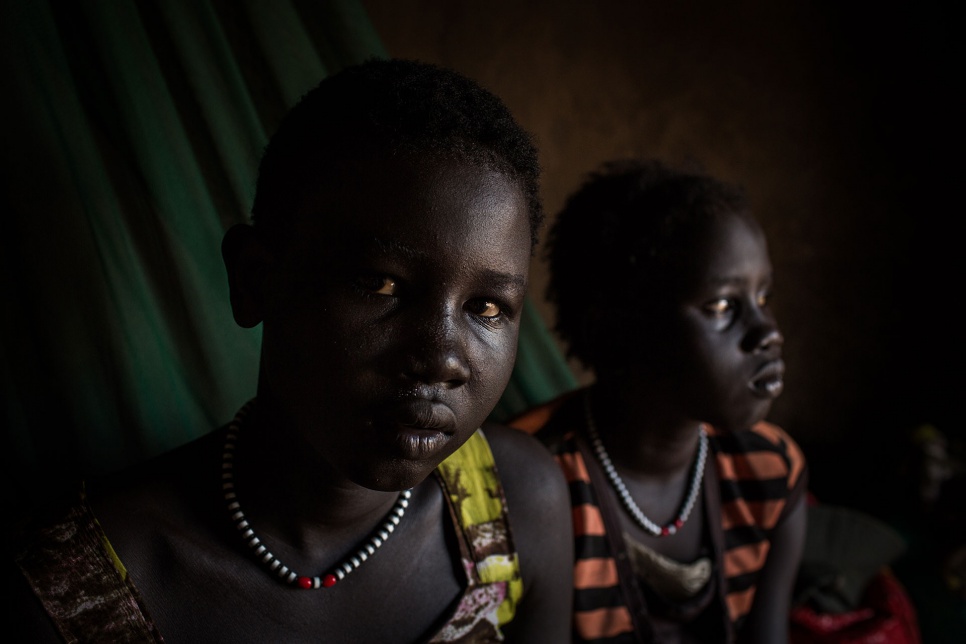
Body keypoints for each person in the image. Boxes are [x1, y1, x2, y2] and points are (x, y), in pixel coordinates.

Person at [11, 58, 573, 643]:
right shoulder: (66, 597)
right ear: (255, 280)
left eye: (486, 307)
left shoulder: (517, 503)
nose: (442, 359)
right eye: (381, 284)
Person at [510, 158, 808, 643]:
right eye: (722, 306)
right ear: (616, 329)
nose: (767, 333)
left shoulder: (771, 469)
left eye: (763, 298)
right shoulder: (530, 478)